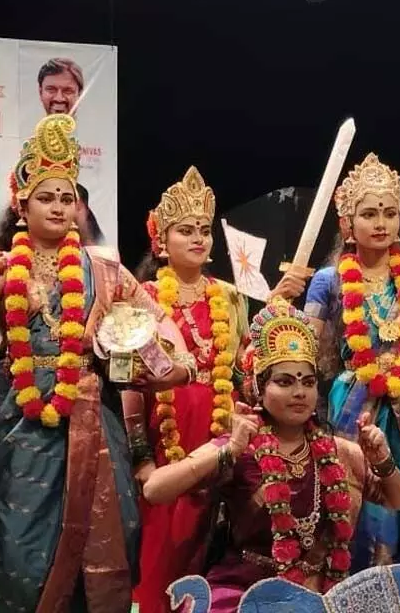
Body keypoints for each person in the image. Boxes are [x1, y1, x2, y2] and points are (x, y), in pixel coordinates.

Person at [0, 113, 194, 612]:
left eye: (66, 197)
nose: (58, 207)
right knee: (21, 558)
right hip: (20, 424)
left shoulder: (106, 269)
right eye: (45, 197)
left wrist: (169, 367)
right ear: (21, 204)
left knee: (110, 543)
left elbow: (162, 336)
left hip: (96, 423)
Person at [272, 153, 400, 575]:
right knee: (360, 500)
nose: (380, 222)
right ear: (347, 223)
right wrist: (279, 303)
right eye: (368, 213)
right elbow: (303, 346)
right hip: (357, 404)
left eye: (389, 212)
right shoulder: (329, 280)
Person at [142, 297, 400, 611]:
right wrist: (228, 451)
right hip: (246, 594)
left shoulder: (341, 452)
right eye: (284, 382)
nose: (299, 393)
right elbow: (154, 489)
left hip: (323, 597)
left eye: (308, 382)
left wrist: (381, 460)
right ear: (259, 388)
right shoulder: (242, 448)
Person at [132, 167, 249, 613]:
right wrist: (142, 457)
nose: (198, 238)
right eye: (185, 230)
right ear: (162, 240)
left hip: (216, 430)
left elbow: (239, 370)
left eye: (204, 230)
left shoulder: (230, 298)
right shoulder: (142, 296)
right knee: (160, 554)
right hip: (163, 434)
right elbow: (129, 385)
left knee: (210, 552)